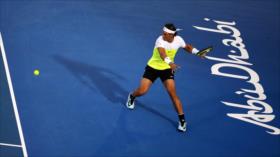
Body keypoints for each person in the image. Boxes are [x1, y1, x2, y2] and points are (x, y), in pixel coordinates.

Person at [126, 23, 206, 132]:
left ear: (172, 35)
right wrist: (170, 63)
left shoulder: (178, 40)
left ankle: (182, 121)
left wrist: (198, 52)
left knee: (173, 94)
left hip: (166, 70)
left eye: (165, 33)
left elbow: (187, 47)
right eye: (163, 33)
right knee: (143, 91)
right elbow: (163, 54)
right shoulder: (160, 40)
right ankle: (132, 96)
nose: (163, 34)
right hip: (152, 68)